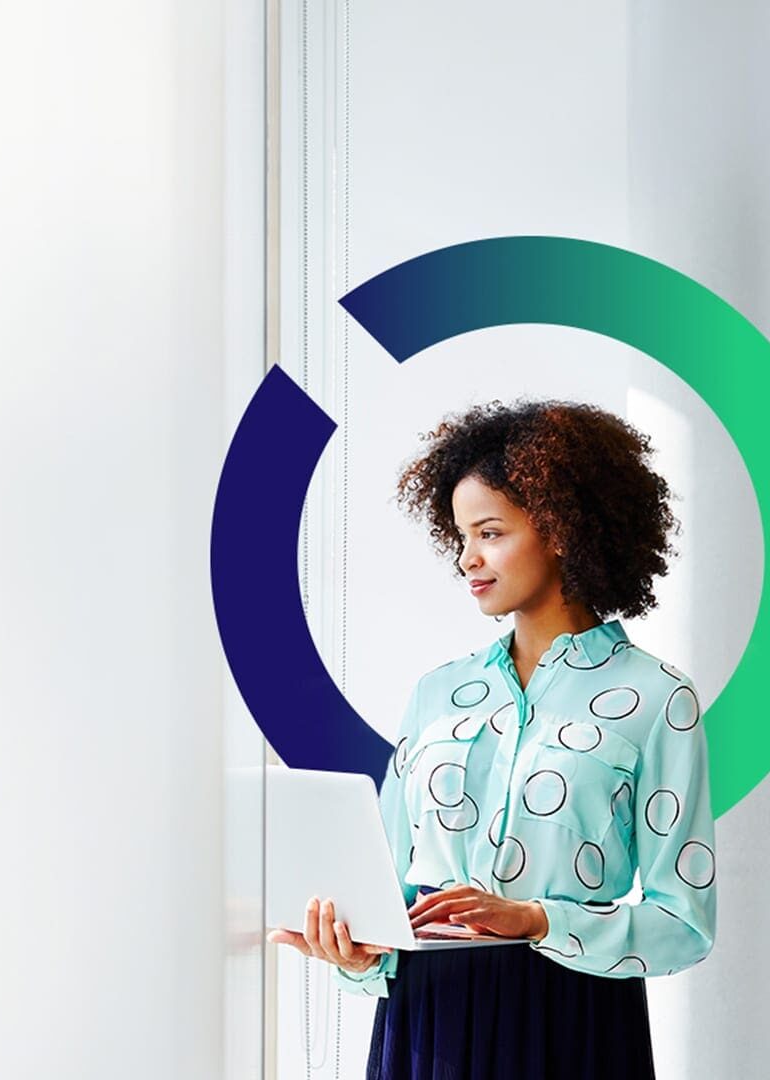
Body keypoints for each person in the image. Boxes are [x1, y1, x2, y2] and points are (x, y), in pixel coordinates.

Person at [267, 398, 717, 1079]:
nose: (467, 558)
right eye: (461, 536)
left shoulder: (658, 699)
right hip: (427, 1019)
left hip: (571, 1021)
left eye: (490, 532)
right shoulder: (437, 692)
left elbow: (684, 924)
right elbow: (387, 892)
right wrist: (357, 955)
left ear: (562, 529)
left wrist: (536, 919)